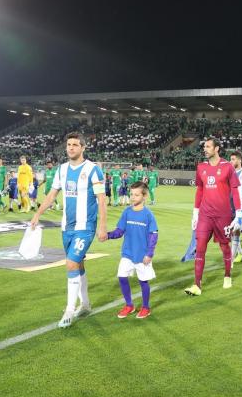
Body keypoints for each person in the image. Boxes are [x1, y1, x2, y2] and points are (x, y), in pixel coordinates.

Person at [31, 132, 107, 328]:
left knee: (71, 263)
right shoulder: (61, 170)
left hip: (85, 228)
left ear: (83, 148)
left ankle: (69, 310)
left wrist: (102, 227)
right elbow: (51, 195)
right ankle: (86, 304)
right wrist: (37, 214)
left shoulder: (92, 170)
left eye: (75, 145)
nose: (71, 148)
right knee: (78, 265)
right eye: (68, 145)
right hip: (67, 228)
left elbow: (101, 200)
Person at [185, 137, 242, 296]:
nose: (205, 149)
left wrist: (238, 214)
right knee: (200, 247)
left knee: (224, 246)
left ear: (217, 149)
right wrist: (195, 212)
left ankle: (227, 276)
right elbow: (200, 190)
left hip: (223, 216)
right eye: (204, 146)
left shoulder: (227, 167)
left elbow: (235, 191)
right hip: (205, 215)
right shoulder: (201, 167)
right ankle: (197, 285)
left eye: (208, 146)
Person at [107, 181, 158, 319]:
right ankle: (129, 305)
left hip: (142, 255)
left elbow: (153, 235)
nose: (133, 197)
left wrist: (149, 253)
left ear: (144, 196)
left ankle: (146, 307)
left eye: (136, 195)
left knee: (143, 281)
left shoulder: (148, 215)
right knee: (122, 277)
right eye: (131, 194)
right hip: (127, 253)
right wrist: (107, 235)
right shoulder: (127, 212)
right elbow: (119, 231)